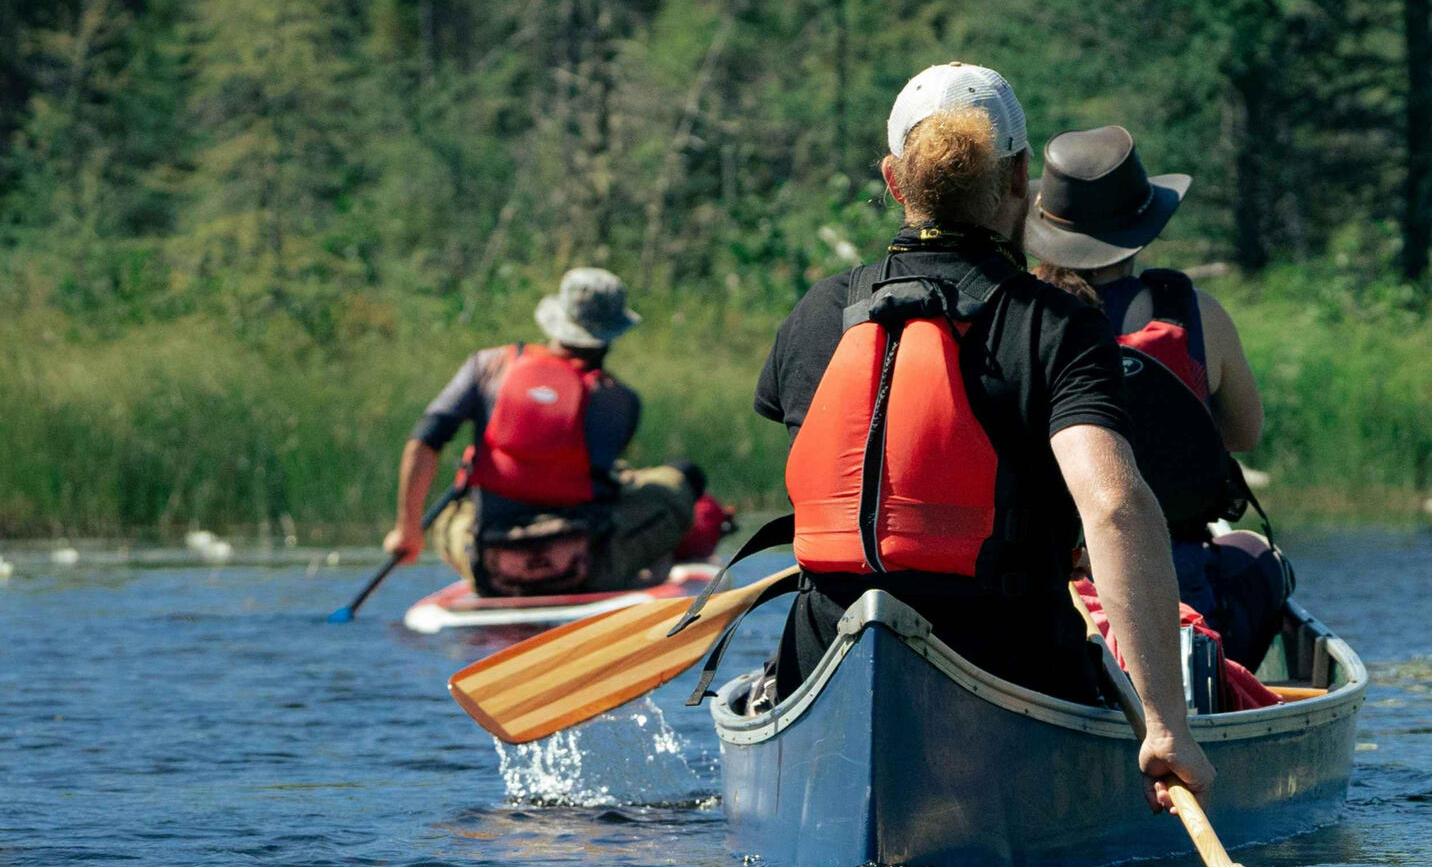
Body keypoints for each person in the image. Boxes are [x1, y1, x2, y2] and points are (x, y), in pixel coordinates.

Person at [752, 62, 1212, 808]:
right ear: (1020, 180)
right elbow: (1116, 508)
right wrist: (1165, 726)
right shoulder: (1055, 324)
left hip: (827, 661)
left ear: (895, 180)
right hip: (1007, 667)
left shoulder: (816, 314)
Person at [1022, 126, 1289, 671]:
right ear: (1143, 229)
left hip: (1042, 578)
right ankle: (1223, 689)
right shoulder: (1196, 313)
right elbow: (1243, 433)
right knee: (1260, 559)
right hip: (1175, 576)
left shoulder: (1018, 316)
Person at [387, 267, 710, 595]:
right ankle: (646, 564)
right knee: (678, 482)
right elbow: (604, 482)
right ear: (613, 332)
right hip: (584, 569)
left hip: (492, 570)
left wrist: (407, 529)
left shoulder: (487, 367)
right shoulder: (620, 399)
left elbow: (424, 440)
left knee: (449, 516)